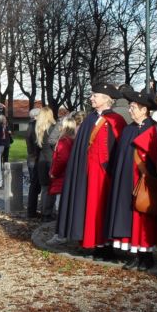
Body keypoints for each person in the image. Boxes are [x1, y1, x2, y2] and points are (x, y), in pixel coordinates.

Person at [55, 82, 127, 260]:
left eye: (95, 95)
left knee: (104, 208)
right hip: (87, 172)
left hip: (106, 174)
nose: (91, 98)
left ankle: (107, 246)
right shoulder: (88, 120)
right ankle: (94, 244)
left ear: (105, 98)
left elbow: (120, 149)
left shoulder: (116, 120)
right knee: (89, 208)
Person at [105, 86, 157, 270]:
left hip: (146, 182)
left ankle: (146, 256)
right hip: (126, 182)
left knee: (144, 219)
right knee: (129, 217)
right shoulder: (128, 129)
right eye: (130, 106)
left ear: (144, 109)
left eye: (133, 107)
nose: (130, 109)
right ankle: (134, 254)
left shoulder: (155, 129)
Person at [46, 111, 82, 246]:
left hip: (61, 178)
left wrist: (53, 172)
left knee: (60, 206)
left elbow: (61, 160)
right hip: (70, 177)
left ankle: (60, 235)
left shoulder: (63, 141)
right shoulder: (75, 141)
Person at [35, 107, 58, 222]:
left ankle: (45, 212)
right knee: (50, 189)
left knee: (45, 189)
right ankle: (47, 214)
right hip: (50, 161)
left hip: (41, 161)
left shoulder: (39, 129)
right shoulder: (52, 129)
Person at [25, 108, 41, 218]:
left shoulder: (30, 126)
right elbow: (37, 144)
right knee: (35, 186)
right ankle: (31, 211)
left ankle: (32, 210)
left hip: (31, 158)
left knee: (34, 186)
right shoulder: (35, 126)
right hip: (35, 158)